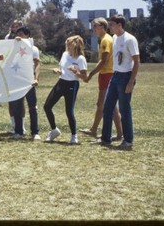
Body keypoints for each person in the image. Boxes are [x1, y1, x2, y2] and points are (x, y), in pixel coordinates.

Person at [93, 14, 140, 149]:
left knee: (125, 109)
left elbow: (137, 62)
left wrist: (131, 82)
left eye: (112, 25)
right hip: (115, 76)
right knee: (107, 107)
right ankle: (105, 138)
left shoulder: (130, 40)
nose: (110, 27)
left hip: (126, 77)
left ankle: (128, 140)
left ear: (120, 25)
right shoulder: (114, 38)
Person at [80, 17, 123, 140]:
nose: (93, 29)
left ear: (103, 27)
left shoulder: (105, 40)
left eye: (95, 26)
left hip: (107, 75)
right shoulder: (106, 39)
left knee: (110, 106)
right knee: (102, 104)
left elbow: (103, 61)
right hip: (106, 74)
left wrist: (90, 74)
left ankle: (119, 134)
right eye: (93, 26)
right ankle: (94, 129)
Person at [44, 35, 87, 144]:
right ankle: (54, 130)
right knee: (47, 106)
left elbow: (84, 77)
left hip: (72, 84)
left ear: (75, 45)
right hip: (61, 82)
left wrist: (75, 72)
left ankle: (74, 135)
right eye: (67, 44)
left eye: (69, 44)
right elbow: (61, 69)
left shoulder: (80, 59)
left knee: (69, 111)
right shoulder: (64, 54)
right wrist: (57, 70)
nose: (67, 46)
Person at [11, 26, 41, 140]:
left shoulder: (34, 49)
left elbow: (37, 64)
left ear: (28, 35)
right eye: (17, 34)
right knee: (17, 106)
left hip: (29, 81)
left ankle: (35, 132)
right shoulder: (14, 48)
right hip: (17, 80)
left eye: (21, 34)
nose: (18, 37)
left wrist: (36, 78)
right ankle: (18, 131)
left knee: (32, 106)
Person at [4, 20, 24, 126]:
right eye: (14, 26)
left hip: (21, 70)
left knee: (21, 100)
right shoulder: (8, 37)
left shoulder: (25, 37)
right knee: (11, 100)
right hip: (10, 71)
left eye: (18, 26)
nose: (15, 28)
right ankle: (13, 125)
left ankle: (22, 125)